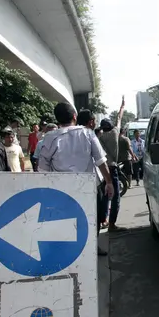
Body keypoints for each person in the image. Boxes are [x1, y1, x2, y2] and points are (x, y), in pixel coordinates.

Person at [37, 103, 114, 256]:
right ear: (74, 116)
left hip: (62, 190)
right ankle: (92, 248)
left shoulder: (50, 138)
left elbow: (42, 170)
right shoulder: (88, 134)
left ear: (57, 119)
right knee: (92, 220)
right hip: (89, 188)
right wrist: (109, 182)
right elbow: (100, 161)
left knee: (66, 221)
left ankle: (70, 253)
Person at [98, 96, 126, 232]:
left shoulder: (99, 138)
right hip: (112, 168)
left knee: (105, 196)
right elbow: (119, 119)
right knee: (115, 197)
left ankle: (104, 220)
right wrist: (122, 107)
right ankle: (112, 225)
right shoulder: (115, 133)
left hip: (102, 169)